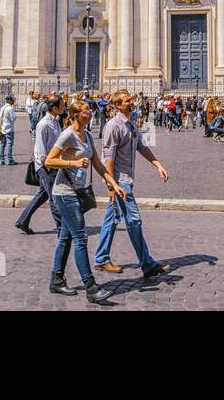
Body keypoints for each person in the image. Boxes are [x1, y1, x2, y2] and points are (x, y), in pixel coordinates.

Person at [43, 99, 123, 304]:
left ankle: (56, 279)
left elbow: (98, 163)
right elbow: (49, 160)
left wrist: (113, 183)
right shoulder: (67, 134)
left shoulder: (87, 135)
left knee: (66, 237)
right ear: (76, 115)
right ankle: (91, 287)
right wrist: (74, 162)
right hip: (64, 192)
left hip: (77, 191)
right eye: (87, 112)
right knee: (80, 237)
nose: (91, 114)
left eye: (90, 111)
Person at [94, 89, 173, 281]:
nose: (132, 102)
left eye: (131, 99)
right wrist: (111, 185)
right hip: (120, 182)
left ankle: (101, 257)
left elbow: (141, 146)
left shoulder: (130, 123)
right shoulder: (113, 126)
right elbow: (108, 159)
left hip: (125, 179)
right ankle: (147, 264)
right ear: (118, 105)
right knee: (134, 220)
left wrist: (158, 164)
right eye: (127, 100)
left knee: (112, 218)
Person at [16, 94, 67, 235]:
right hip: (46, 166)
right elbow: (41, 150)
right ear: (54, 108)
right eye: (62, 105)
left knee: (43, 195)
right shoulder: (43, 124)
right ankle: (62, 228)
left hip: (53, 164)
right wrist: (49, 165)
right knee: (54, 196)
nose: (64, 107)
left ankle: (23, 221)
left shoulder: (56, 121)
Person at [0, 95, 17, 165]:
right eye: (13, 100)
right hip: (9, 129)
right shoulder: (10, 108)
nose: (14, 101)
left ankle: (1, 159)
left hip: (3, 128)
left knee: (2, 144)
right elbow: (13, 118)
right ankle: (10, 159)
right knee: (9, 144)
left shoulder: (3, 108)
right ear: (10, 100)